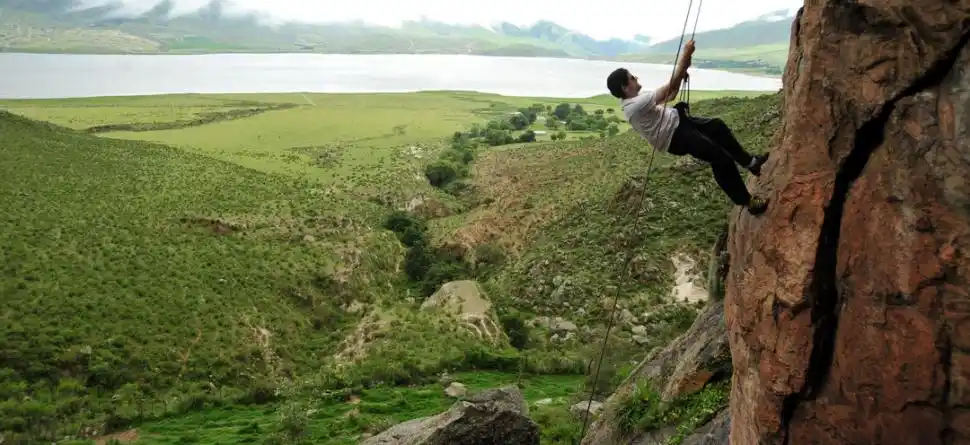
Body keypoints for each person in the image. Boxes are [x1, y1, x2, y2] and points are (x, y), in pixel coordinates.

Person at [605, 39, 770, 215]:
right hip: (675, 136)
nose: (636, 78)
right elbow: (671, 86)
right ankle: (748, 202)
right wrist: (686, 54)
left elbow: (672, 93)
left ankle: (750, 162)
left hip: (678, 123)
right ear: (625, 87)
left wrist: (683, 68)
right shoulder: (635, 105)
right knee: (721, 159)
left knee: (717, 126)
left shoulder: (635, 101)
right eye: (632, 78)